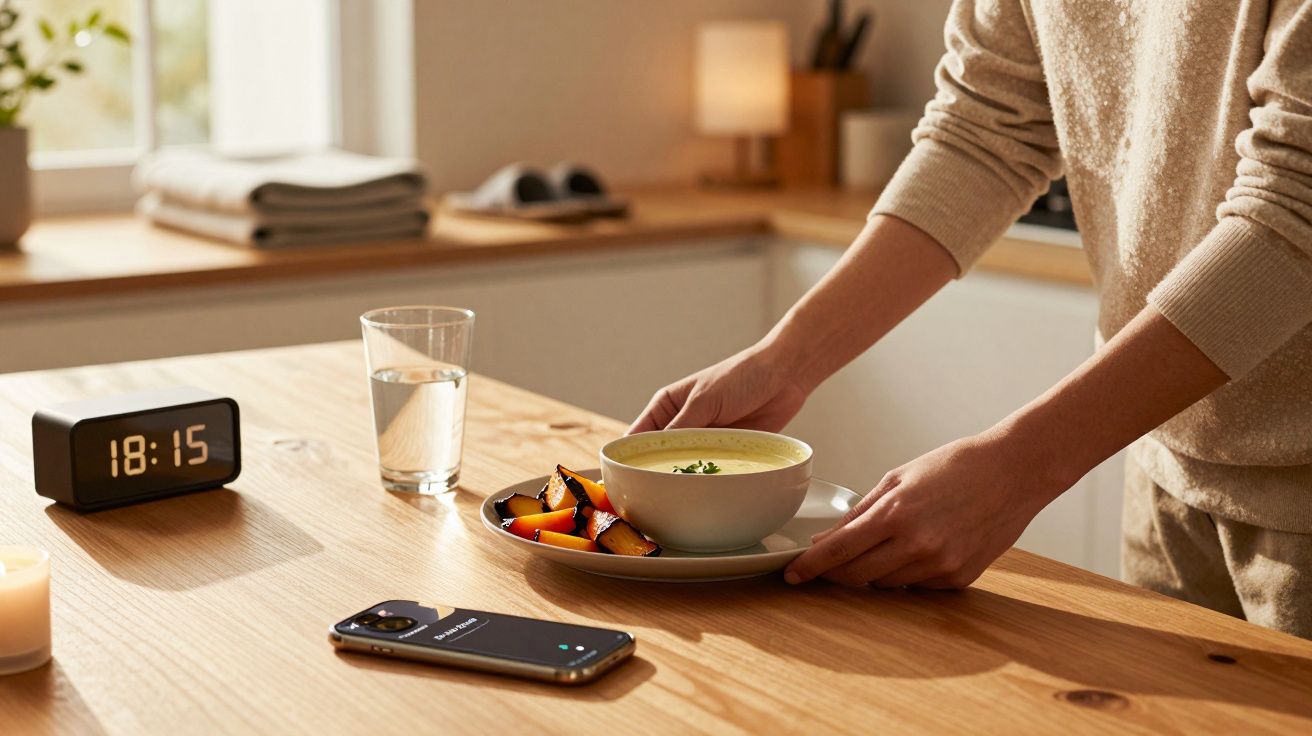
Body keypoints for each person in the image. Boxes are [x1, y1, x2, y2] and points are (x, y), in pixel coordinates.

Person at [629, 1, 1312, 640]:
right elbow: (983, 126)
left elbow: (1297, 202)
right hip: (1162, 460)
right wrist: (786, 360)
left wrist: (1021, 467)